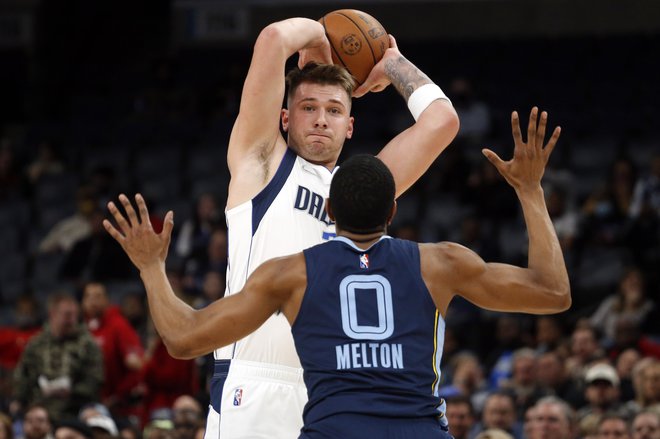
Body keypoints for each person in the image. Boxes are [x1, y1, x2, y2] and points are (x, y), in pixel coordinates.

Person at [105, 107, 569, 437]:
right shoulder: (440, 263)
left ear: (328, 211)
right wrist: (529, 189)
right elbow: (553, 293)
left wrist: (150, 267)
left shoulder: (290, 275)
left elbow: (183, 339)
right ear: (392, 211)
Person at [179, 14, 459, 439]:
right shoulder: (262, 163)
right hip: (258, 381)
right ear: (285, 119)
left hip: (336, 390)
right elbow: (273, 38)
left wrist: (393, 64)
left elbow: (442, 123)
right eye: (308, 108)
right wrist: (315, 38)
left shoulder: (360, 191)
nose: (321, 119)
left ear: (350, 126)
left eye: (334, 110)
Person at [12, 293, 103, 422]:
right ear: (52, 314)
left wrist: (71, 391)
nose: (72, 320)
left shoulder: (88, 344)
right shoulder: (37, 343)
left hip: (76, 407)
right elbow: (23, 375)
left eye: (74, 315)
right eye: (67, 315)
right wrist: (19, 400)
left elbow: (95, 379)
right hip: (39, 406)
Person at [81, 282, 144, 418]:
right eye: (88, 297)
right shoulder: (80, 327)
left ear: (107, 300)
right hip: (88, 400)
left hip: (117, 406)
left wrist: (118, 396)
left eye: (98, 296)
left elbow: (137, 365)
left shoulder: (119, 325)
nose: (93, 301)